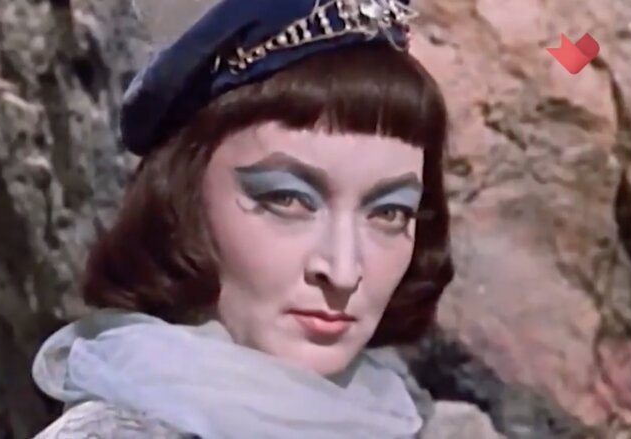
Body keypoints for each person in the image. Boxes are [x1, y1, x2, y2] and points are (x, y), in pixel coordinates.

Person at [31, 0, 454, 437]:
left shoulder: (385, 421)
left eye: (389, 212)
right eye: (287, 200)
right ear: (184, 199)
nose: (343, 272)